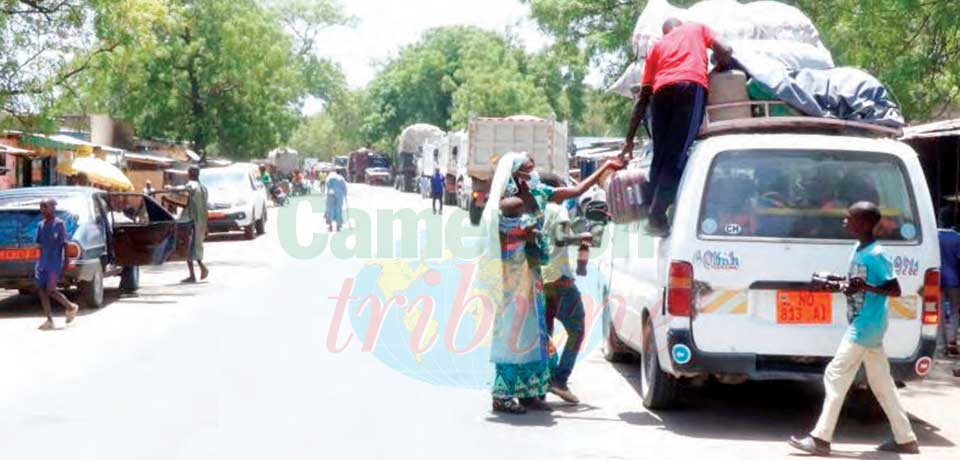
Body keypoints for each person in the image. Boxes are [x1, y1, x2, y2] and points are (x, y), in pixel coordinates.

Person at [483, 152, 623, 414]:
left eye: (532, 168)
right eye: (527, 170)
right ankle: (502, 395)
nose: (532, 174)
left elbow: (576, 189)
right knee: (514, 332)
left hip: (534, 276)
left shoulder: (539, 194)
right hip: (513, 278)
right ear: (514, 174)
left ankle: (529, 392)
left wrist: (604, 167)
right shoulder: (506, 204)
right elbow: (501, 242)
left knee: (535, 334)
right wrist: (522, 235)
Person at [789, 202, 919, 456]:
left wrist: (865, 288)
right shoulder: (858, 249)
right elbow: (857, 282)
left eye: (850, 218)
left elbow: (894, 290)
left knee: (835, 375)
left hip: (865, 326)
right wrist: (836, 282)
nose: (844, 221)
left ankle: (820, 438)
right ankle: (906, 440)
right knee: (882, 384)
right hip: (864, 324)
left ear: (865, 224)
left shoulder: (877, 254)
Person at [622, 18, 732, 235]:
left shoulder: (657, 48)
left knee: (661, 156)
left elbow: (643, 99)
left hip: (661, 93)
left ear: (665, 33)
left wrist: (629, 140)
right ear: (680, 25)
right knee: (678, 153)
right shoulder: (697, 28)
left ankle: (654, 214)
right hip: (690, 86)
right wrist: (722, 64)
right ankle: (656, 216)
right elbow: (726, 49)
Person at [540, 173, 590, 404]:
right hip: (559, 280)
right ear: (557, 190)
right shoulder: (558, 210)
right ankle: (560, 378)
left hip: (539, 278)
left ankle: (544, 376)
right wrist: (583, 237)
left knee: (543, 332)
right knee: (577, 329)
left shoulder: (534, 208)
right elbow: (561, 238)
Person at [34, 198, 79, 330]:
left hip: (55, 264)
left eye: (45, 206)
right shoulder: (40, 225)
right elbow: (39, 244)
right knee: (41, 290)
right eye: (41, 206)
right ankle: (49, 320)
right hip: (42, 264)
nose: (43, 209)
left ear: (53, 208)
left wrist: (66, 262)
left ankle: (71, 306)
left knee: (51, 290)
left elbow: (65, 245)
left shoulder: (59, 224)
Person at [167, 167, 209, 283]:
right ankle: (199, 270)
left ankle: (196, 272)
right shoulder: (204, 188)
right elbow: (206, 208)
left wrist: (170, 189)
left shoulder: (192, 185)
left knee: (188, 247)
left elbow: (183, 191)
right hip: (201, 222)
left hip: (190, 221)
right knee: (195, 247)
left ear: (189, 173)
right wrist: (206, 226)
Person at [938, 210, 960, 356]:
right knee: (954, 310)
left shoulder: (933, 236)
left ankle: (940, 344)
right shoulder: (957, 238)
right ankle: (952, 340)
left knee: (937, 312)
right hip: (954, 280)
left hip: (936, 279)